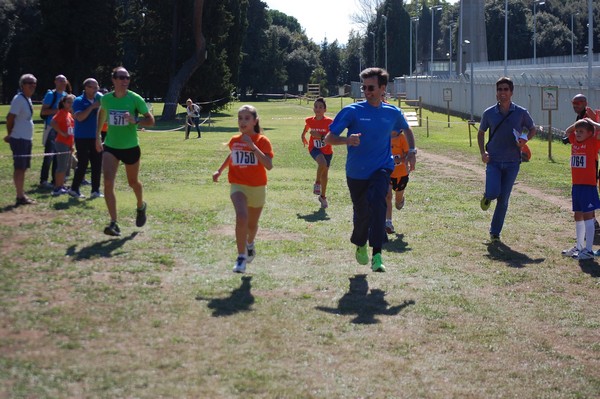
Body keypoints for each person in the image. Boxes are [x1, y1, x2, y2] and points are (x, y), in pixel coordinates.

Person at [325, 67, 417, 272]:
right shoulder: (352, 111)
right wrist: (346, 140)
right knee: (362, 213)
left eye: (371, 87)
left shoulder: (392, 112)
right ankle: (360, 244)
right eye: (364, 87)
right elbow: (329, 138)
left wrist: (412, 151)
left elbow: (407, 128)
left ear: (382, 88)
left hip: (382, 167)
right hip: (356, 172)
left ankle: (377, 254)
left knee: (379, 204)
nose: (367, 91)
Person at [212, 105, 274, 273]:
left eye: (247, 118)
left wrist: (252, 146)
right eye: (240, 118)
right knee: (241, 217)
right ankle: (241, 257)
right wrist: (220, 170)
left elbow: (269, 165)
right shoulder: (235, 140)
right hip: (238, 185)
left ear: (254, 121)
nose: (242, 121)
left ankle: (250, 244)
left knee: (252, 226)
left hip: (258, 187)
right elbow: (232, 154)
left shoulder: (262, 141)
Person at [96, 67, 155, 236]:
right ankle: (114, 223)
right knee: (108, 182)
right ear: (113, 80)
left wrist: (135, 120)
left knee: (133, 182)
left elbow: (151, 121)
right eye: (121, 77)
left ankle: (140, 206)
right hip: (111, 146)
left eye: (127, 77)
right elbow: (102, 113)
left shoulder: (135, 99)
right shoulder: (106, 99)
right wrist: (97, 136)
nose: (125, 80)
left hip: (130, 147)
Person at [478, 77, 536, 242]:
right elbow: (481, 132)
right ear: (496, 93)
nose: (502, 93)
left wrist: (525, 139)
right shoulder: (489, 113)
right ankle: (487, 195)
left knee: (503, 199)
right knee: (493, 193)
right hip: (493, 161)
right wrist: (483, 153)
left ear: (511, 92)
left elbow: (532, 128)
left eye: (505, 89)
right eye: (499, 90)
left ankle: (495, 232)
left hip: (512, 162)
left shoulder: (521, 112)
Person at [561, 119, 600, 260]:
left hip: (588, 185)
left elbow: (599, 129)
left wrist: (589, 121)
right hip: (576, 185)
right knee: (578, 215)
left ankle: (589, 250)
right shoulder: (574, 141)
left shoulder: (592, 142)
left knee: (588, 216)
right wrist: (579, 124)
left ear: (590, 133)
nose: (577, 133)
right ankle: (579, 246)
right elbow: (568, 131)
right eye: (577, 131)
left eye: (581, 131)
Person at [4, 74, 37, 206]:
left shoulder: (27, 99)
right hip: (19, 138)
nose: (32, 85)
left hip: (26, 138)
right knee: (19, 168)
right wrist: (10, 134)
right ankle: (19, 196)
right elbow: (10, 118)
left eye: (34, 83)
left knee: (23, 168)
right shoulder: (18, 99)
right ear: (22, 85)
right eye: (29, 83)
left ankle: (21, 194)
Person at [69, 78, 103, 199]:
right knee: (83, 163)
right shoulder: (78, 101)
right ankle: (74, 189)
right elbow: (80, 118)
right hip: (82, 137)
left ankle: (95, 190)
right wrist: (92, 107)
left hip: (95, 137)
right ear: (86, 88)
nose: (96, 90)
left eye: (97, 87)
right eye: (93, 87)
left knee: (97, 164)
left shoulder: (99, 100)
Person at [301, 97, 333, 208]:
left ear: (325, 109)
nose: (317, 109)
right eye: (316, 106)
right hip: (314, 148)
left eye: (320, 107)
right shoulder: (310, 120)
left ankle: (323, 197)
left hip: (327, 150)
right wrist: (303, 135)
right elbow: (307, 127)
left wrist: (319, 136)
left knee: (325, 174)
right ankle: (317, 183)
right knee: (322, 163)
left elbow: (332, 137)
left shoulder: (329, 122)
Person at [39, 74, 69, 189]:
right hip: (51, 128)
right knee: (49, 155)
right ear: (55, 82)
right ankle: (43, 180)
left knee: (59, 156)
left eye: (64, 81)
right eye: (60, 81)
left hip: (62, 129)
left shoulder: (66, 96)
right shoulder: (51, 94)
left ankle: (55, 180)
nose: (62, 83)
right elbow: (44, 111)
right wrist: (59, 111)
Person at [50, 95, 76, 196]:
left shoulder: (68, 114)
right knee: (61, 166)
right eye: (68, 102)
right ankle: (57, 187)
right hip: (61, 143)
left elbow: (71, 130)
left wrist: (72, 144)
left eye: (72, 102)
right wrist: (61, 133)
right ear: (63, 103)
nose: (70, 104)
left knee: (65, 166)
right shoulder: (61, 113)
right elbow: (53, 122)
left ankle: (61, 185)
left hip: (68, 143)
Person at [385, 131, 410, 234]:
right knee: (388, 196)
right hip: (388, 172)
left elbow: (409, 155)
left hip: (401, 173)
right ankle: (388, 223)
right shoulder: (384, 135)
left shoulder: (403, 137)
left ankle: (400, 201)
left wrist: (399, 159)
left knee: (398, 203)